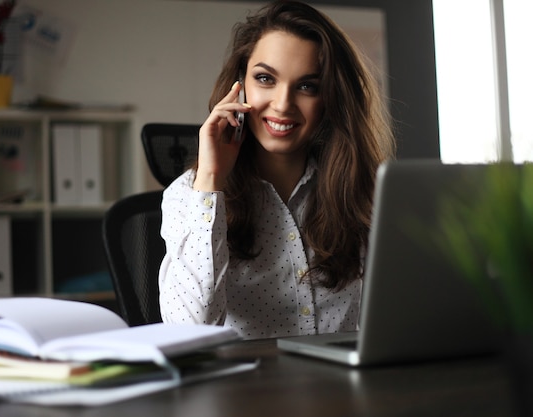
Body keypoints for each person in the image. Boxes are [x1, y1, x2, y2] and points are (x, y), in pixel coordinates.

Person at [158, 0, 396, 339]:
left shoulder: (364, 192)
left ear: (330, 98)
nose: (283, 104)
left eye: (307, 86)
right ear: (239, 85)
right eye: (265, 79)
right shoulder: (188, 196)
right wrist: (211, 180)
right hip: (244, 389)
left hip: (342, 387)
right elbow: (187, 329)